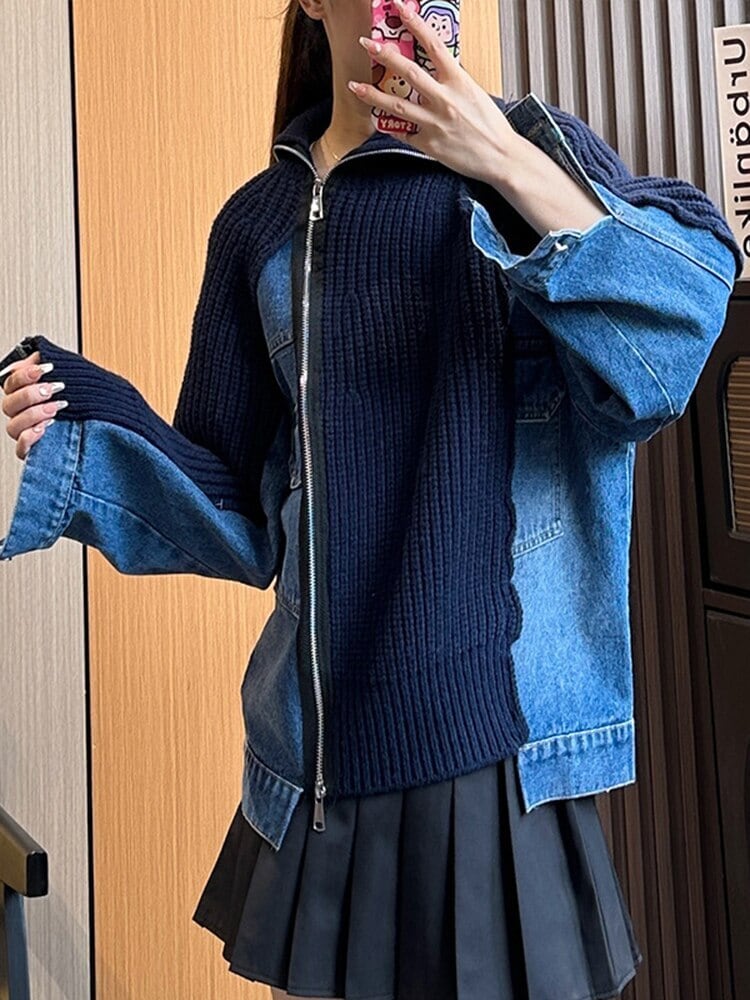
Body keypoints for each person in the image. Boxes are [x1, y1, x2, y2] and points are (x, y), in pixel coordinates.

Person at [1, 0, 741, 998]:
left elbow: (677, 334)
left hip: (498, 756)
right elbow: (243, 517)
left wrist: (500, 158)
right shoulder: (257, 226)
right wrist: (95, 421)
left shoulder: (531, 158)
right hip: (320, 768)